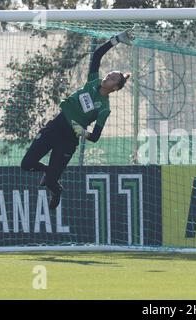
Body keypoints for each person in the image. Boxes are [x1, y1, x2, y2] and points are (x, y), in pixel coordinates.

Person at [21, 29, 135, 210]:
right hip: (56, 126)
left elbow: (95, 136)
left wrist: (83, 133)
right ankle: (50, 173)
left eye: (113, 78)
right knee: (26, 164)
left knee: (50, 182)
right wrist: (117, 40)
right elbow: (97, 55)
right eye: (109, 74)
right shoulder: (92, 82)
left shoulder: (105, 108)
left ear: (116, 88)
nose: (108, 76)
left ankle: (56, 188)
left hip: (69, 140)